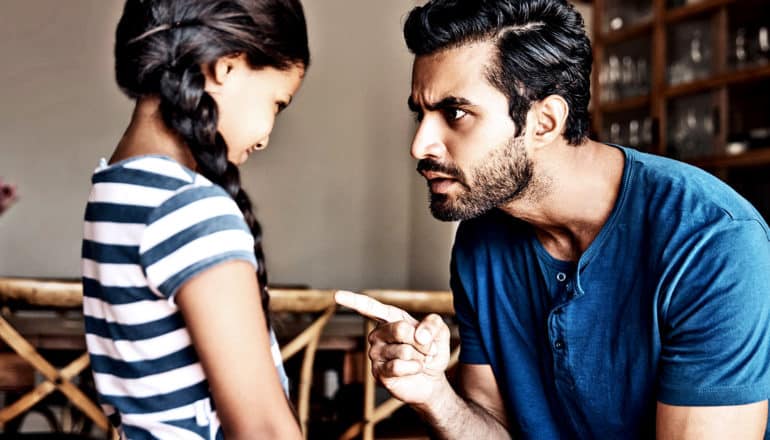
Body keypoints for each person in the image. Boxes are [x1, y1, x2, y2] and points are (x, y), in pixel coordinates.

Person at [336, 0, 770, 438]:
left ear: (544, 122)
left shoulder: (713, 241)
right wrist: (434, 395)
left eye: (455, 113)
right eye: (420, 113)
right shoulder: (480, 237)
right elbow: (495, 429)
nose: (420, 145)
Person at [81, 0, 309, 438]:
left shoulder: (114, 187)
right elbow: (262, 428)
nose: (265, 138)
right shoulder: (189, 207)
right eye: (278, 103)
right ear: (226, 69)